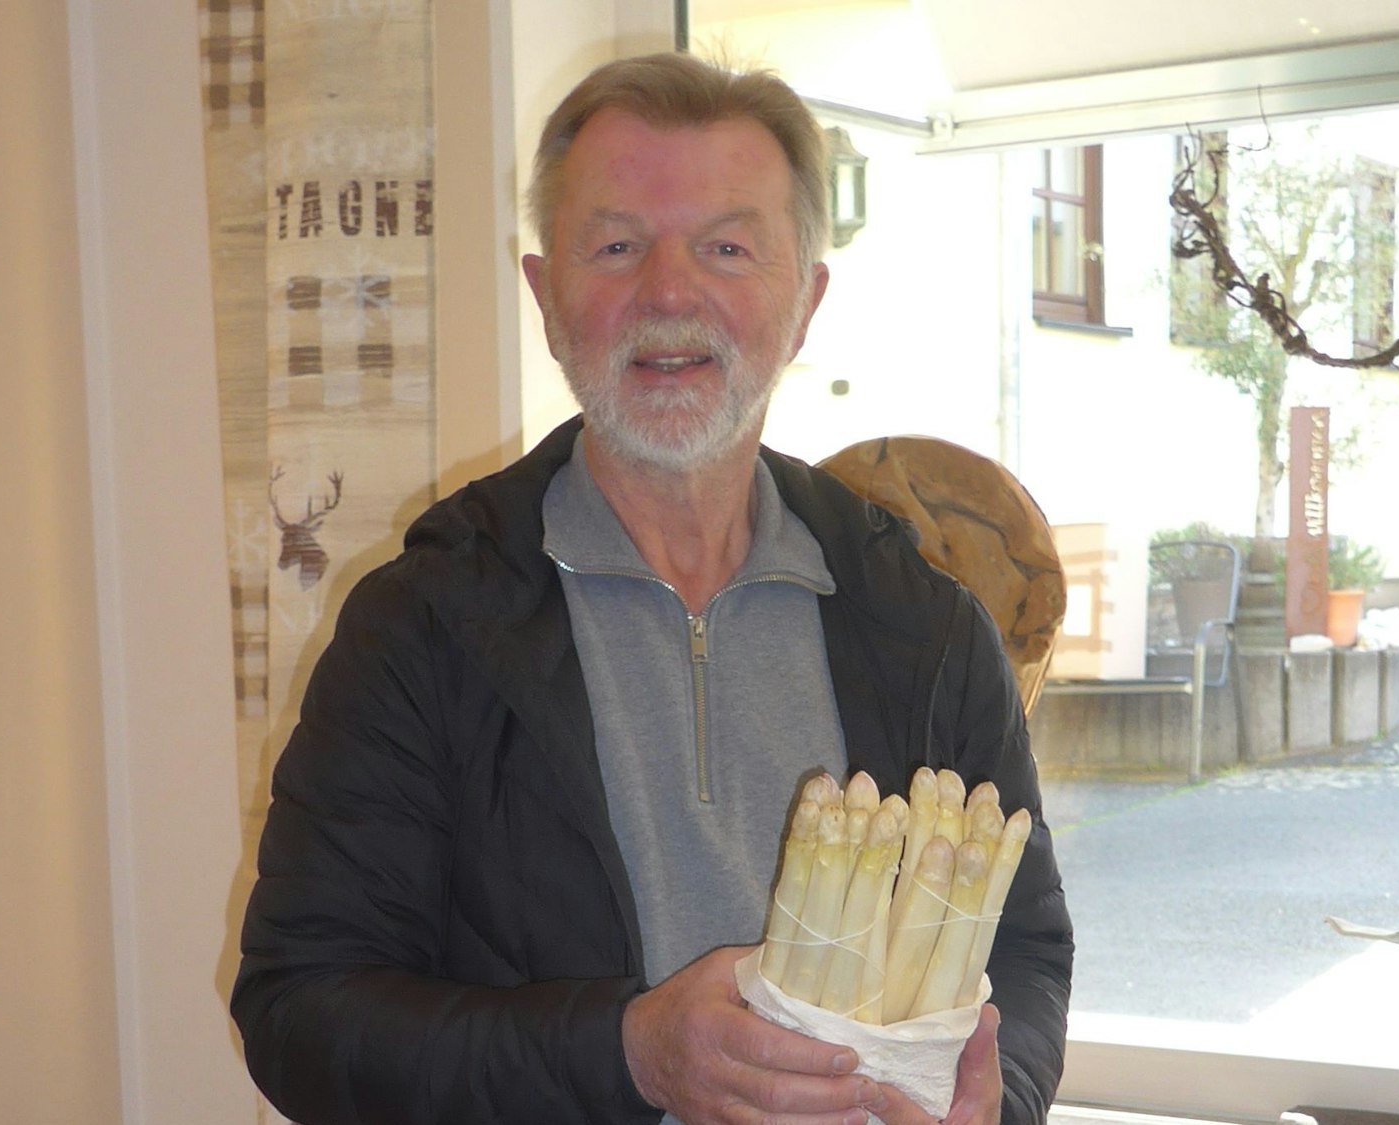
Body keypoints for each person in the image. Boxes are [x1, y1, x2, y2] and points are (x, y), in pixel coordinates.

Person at [230, 51, 1073, 1125]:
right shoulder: (423, 625)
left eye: (726, 246)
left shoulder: (924, 623)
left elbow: (1027, 950)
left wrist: (991, 1106)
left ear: (804, 299)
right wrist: (623, 1052)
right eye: (616, 245)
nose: (669, 292)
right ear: (546, 295)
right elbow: (299, 1014)